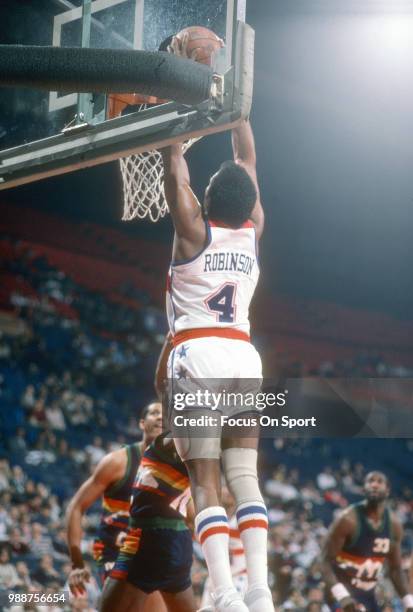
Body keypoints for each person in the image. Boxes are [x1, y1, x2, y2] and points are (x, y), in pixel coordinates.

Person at [161, 118, 273, 612]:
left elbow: (173, 171)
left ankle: (225, 593)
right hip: (244, 357)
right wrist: (240, 114)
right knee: (244, 477)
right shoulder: (253, 233)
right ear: (247, 204)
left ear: (206, 199)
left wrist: (169, 123)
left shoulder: (191, 230)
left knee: (205, 481)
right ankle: (261, 591)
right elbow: (248, 163)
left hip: (198, 352)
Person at [66, 401, 165, 611]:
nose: (160, 417)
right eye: (155, 413)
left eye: (165, 415)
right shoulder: (117, 462)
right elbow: (76, 507)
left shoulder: (175, 466)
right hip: (116, 553)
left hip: (153, 553)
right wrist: (76, 563)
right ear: (141, 423)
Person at [100, 432, 196, 612]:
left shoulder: (188, 438)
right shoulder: (169, 448)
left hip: (151, 537)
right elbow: (191, 514)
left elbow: (192, 514)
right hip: (174, 538)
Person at [321, 471, 413, 612]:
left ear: (387, 490)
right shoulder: (347, 519)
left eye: (379, 481)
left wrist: (408, 601)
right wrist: (342, 596)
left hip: (367, 596)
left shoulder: (394, 525)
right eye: (370, 481)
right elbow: (325, 561)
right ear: (364, 489)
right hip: (339, 595)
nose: (374, 484)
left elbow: (395, 569)